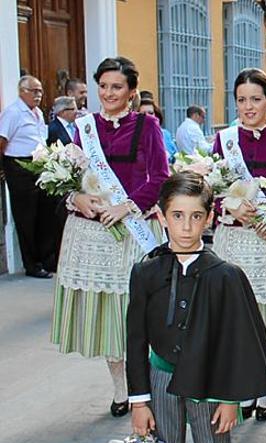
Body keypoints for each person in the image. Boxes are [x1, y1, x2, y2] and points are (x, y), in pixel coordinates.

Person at [127, 171, 266, 443]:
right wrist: (139, 401)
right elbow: (135, 340)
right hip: (162, 380)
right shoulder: (145, 272)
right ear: (161, 215)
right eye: (177, 215)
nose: (186, 226)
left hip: (211, 384)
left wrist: (229, 399)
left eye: (196, 216)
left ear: (209, 218)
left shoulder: (225, 276)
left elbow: (235, 341)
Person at [52, 56, 170, 417]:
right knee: (108, 316)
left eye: (117, 86)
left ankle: (146, 388)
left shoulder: (146, 126)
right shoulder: (83, 127)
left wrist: (128, 206)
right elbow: (67, 177)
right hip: (92, 234)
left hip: (131, 232)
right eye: (103, 86)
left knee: (135, 313)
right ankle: (121, 389)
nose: (108, 93)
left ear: (131, 91)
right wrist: (77, 198)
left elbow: (161, 178)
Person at [211, 68, 266, 421]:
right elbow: (212, 191)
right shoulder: (224, 140)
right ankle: (242, 385)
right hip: (234, 240)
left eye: (256, 99)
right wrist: (229, 205)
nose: (249, 107)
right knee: (236, 317)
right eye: (242, 100)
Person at [0, 75, 59, 278]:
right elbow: (2, 139)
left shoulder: (37, 113)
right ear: (22, 91)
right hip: (19, 165)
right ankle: (31, 264)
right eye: (34, 91)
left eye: (40, 91)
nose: (38, 95)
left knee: (45, 213)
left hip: (39, 164)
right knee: (26, 216)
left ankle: (47, 259)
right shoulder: (13, 112)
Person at [137, 96, 178, 162]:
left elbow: (176, 157)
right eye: (143, 114)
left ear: (156, 115)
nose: (147, 116)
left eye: (150, 113)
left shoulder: (165, 134)